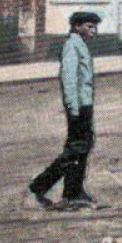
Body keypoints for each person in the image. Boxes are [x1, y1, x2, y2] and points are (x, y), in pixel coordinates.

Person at [29, 11, 103, 210]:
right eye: (89, 26)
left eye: (94, 27)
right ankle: (40, 187)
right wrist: (73, 107)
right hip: (78, 107)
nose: (93, 31)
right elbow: (69, 79)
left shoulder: (80, 45)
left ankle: (74, 191)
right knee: (75, 150)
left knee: (83, 147)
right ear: (77, 26)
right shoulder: (72, 46)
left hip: (84, 105)